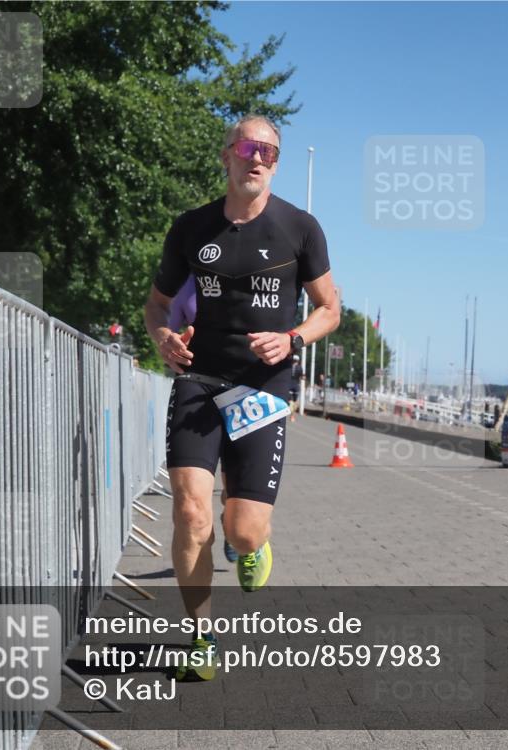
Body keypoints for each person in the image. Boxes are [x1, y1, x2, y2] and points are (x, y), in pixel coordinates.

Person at [144, 114, 340, 681]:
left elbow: (330, 308)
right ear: (228, 153)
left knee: (242, 528)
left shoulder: (300, 228)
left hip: (262, 385)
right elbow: (157, 304)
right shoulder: (191, 227)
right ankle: (200, 637)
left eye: (271, 153)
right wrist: (161, 336)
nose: (260, 159)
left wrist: (292, 337)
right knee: (189, 510)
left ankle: (250, 546)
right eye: (251, 148)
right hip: (199, 381)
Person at [167, 275, 240, 564]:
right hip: (198, 393)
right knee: (192, 506)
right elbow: (167, 330)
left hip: (244, 390)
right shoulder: (183, 282)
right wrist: (171, 344)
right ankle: (201, 537)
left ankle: (236, 527)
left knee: (234, 487)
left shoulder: (244, 268)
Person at [289, 354, 303, 421]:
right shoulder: (300, 368)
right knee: (295, 401)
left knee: (290, 400)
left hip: (289, 385)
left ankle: (290, 411)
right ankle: (292, 415)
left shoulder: (289, 367)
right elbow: (302, 377)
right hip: (296, 385)